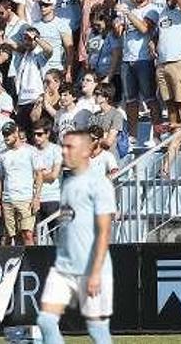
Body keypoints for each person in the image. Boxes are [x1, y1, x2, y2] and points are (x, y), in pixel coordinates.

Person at [36, 130, 116, 344]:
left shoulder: (100, 184)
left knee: (97, 329)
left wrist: (96, 272)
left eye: (69, 147)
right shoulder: (68, 183)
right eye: (63, 146)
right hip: (63, 268)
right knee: (45, 320)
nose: (63, 151)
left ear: (85, 151)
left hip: (91, 268)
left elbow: (104, 231)